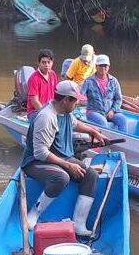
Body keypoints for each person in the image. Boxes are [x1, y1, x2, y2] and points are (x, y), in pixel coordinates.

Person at [22, 80, 107, 236]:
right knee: (61, 177)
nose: (77, 104)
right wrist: (68, 166)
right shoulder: (46, 117)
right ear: (66, 100)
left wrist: (93, 132)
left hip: (60, 157)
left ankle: (78, 224)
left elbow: (75, 124)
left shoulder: (66, 113)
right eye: (75, 101)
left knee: (91, 176)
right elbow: (40, 153)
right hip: (36, 162)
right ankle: (33, 214)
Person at [81, 54, 129, 132]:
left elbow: (118, 99)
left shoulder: (114, 81)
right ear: (96, 66)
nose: (103, 68)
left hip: (110, 111)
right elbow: (80, 95)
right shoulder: (88, 81)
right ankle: (106, 141)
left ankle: (124, 142)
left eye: (105, 65)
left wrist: (112, 110)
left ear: (108, 67)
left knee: (123, 120)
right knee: (102, 121)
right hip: (94, 112)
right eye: (101, 65)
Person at [26, 49, 58, 115]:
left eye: (49, 62)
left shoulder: (53, 74)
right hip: (35, 112)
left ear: (52, 63)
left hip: (50, 110)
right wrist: (46, 115)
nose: (46, 65)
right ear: (38, 63)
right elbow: (35, 101)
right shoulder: (34, 78)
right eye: (43, 62)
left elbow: (56, 95)